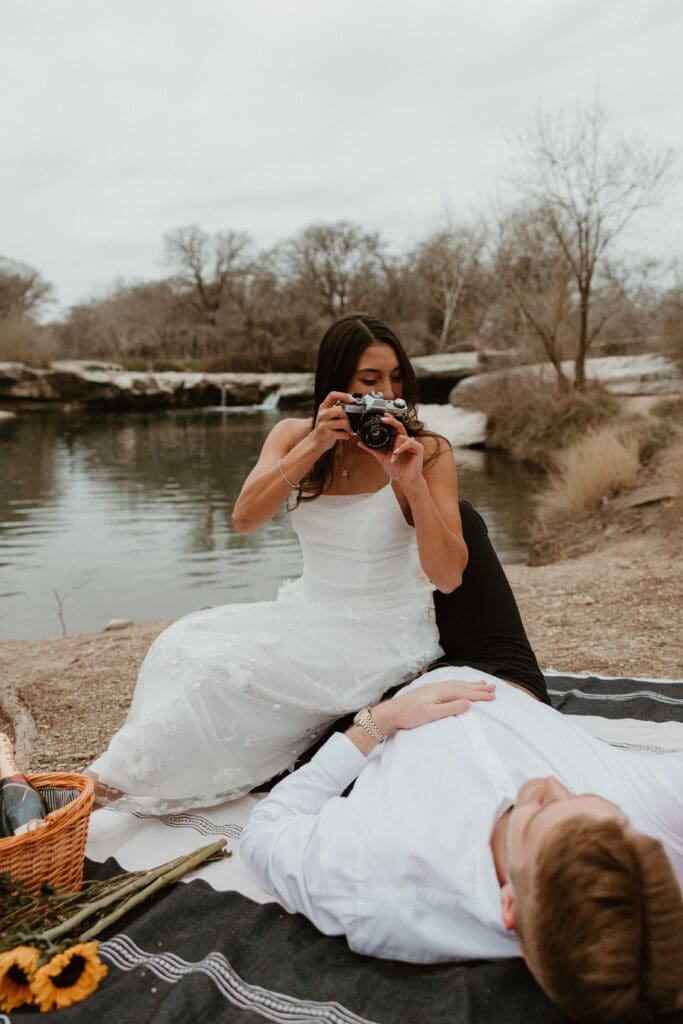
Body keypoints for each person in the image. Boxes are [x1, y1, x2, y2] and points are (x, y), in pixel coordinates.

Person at [88, 313, 468, 812]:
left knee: (218, 673)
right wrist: (316, 443)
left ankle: (93, 790)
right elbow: (244, 518)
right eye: (369, 380)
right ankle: (115, 778)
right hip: (307, 609)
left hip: (379, 630)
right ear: (336, 385)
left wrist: (410, 481)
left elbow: (449, 575)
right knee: (178, 643)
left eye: (395, 379)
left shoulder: (428, 449)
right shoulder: (294, 436)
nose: (386, 392)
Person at [240, 670, 683, 1024]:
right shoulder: (631, 861)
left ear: (510, 903)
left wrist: (379, 720)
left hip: (380, 699)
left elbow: (264, 832)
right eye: (607, 811)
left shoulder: (372, 871)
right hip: (503, 672)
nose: (551, 783)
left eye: (541, 811)